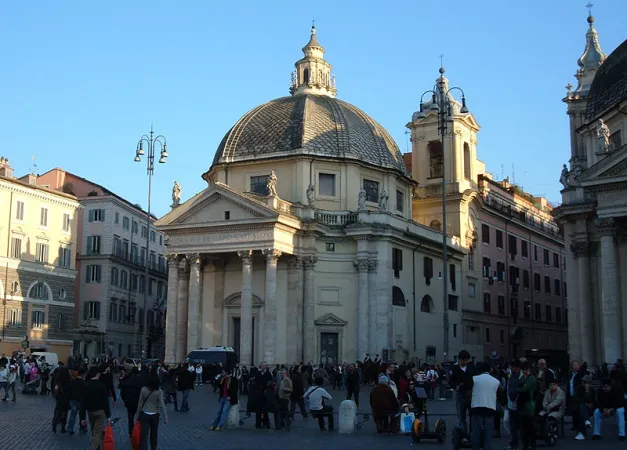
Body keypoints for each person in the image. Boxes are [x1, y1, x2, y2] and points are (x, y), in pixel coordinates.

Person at [470, 362, 499, 450]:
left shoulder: (474, 379)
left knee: (476, 433)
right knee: (488, 434)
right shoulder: (496, 381)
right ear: (489, 370)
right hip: (490, 409)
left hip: (477, 408)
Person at [80, 367, 111, 450]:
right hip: (100, 412)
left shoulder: (86, 386)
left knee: (94, 430)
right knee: (97, 432)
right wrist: (108, 415)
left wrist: (82, 418)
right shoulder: (102, 386)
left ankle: (97, 447)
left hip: (90, 412)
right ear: (98, 375)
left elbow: (83, 403)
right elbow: (106, 402)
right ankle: (94, 447)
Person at [134, 374, 168, 450]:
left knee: (144, 436)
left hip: (144, 414)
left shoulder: (143, 389)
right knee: (154, 435)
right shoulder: (159, 391)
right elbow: (162, 405)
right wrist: (165, 417)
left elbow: (140, 403)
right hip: (155, 415)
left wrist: (137, 415)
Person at [451, 350, 474, 440]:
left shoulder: (471, 367)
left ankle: (472, 435)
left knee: (472, 416)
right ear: (459, 359)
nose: (465, 362)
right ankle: (464, 435)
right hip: (460, 395)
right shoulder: (454, 369)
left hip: (471, 394)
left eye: (466, 360)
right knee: (461, 416)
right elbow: (451, 381)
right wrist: (455, 386)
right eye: (463, 360)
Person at [517, 362, 537, 450]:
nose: (525, 371)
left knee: (530, 427)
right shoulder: (522, 378)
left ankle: (532, 445)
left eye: (526, 369)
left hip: (529, 404)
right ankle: (525, 445)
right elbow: (519, 387)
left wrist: (520, 388)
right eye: (523, 369)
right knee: (524, 428)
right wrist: (520, 388)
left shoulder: (531, 378)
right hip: (522, 404)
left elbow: (523, 388)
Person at [119, 367, 144, 437]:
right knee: (139, 418)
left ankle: (131, 432)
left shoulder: (127, 381)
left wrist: (125, 400)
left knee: (130, 418)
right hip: (138, 402)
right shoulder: (140, 381)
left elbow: (122, 393)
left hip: (129, 402)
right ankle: (139, 431)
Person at [574, 375, 596, 441]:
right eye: (583, 382)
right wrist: (585, 403)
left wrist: (587, 392)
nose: (584, 384)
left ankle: (581, 433)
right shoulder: (579, 388)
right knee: (581, 408)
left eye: (586, 382)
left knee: (582, 410)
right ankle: (586, 421)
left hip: (589, 408)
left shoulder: (592, 390)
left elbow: (592, 400)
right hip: (580, 406)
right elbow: (577, 399)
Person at [51, 366, 71, 433]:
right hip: (66, 400)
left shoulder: (57, 380)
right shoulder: (68, 380)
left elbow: (55, 391)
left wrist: (56, 396)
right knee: (64, 414)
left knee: (57, 412)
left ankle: (54, 425)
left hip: (59, 399)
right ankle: (63, 428)